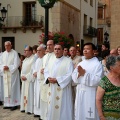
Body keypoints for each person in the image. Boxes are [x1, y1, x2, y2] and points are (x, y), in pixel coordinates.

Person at [72, 42, 103, 120]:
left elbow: (98, 80)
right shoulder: (81, 63)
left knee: (89, 115)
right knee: (80, 113)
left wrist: (84, 74)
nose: (85, 51)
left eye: (88, 49)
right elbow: (74, 76)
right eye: (84, 49)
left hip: (91, 93)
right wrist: (78, 75)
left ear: (93, 51)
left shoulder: (97, 64)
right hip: (80, 92)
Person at [44, 43, 74, 120]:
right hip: (52, 87)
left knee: (63, 108)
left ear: (63, 50)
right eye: (55, 49)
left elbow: (70, 75)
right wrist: (48, 78)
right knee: (51, 106)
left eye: (59, 49)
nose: (57, 51)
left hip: (62, 89)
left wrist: (57, 80)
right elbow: (46, 71)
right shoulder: (50, 60)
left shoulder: (68, 61)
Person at [96, 55, 120, 120]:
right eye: (119, 65)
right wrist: (101, 116)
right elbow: (98, 100)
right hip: (109, 116)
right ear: (112, 68)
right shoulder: (104, 81)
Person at [0, 41, 20, 110]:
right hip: (5, 74)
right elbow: (0, 63)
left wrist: (9, 67)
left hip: (12, 74)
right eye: (5, 46)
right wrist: (3, 67)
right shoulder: (3, 54)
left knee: (12, 88)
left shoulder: (14, 53)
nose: (7, 47)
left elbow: (17, 63)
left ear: (11, 45)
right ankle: (7, 104)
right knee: (6, 88)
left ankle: (14, 104)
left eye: (8, 45)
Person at [40, 39, 56, 120]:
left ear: (54, 45)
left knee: (50, 99)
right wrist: (42, 70)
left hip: (51, 81)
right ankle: (43, 116)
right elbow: (44, 67)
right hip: (45, 81)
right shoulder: (45, 57)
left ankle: (49, 116)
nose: (49, 46)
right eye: (47, 45)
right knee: (44, 98)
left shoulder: (56, 56)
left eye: (50, 45)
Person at [20, 46, 35, 114]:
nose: (24, 52)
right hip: (24, 79)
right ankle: (24, 107)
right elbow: (22, 69)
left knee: (29, 94)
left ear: (30, 51)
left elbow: (32, 70)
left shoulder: (33, 58)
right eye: (24, 50)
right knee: (24, 93)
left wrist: (26, 76)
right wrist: (22, 75)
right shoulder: (25, 59)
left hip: (29, 80)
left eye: (26, 50)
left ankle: (29, 109)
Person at [33, 44, 45, 118]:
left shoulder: (45, 59)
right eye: (37, 50)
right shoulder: (37, 60)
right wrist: (34, 72)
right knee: (36, 95)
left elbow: (44, 70)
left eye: (39, 50)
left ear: (44, 51)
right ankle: (37, 111)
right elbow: (34, 68)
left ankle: (42, 112)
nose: (38, 52)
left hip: (42, 81)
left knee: (41, 96)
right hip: (37, 81)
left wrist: (37, 73)